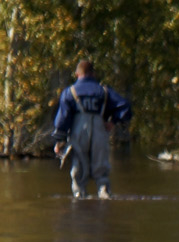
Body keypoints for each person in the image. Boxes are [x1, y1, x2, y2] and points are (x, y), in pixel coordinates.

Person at [51, 59, 132, 199]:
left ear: (77, 74)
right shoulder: (104, 91)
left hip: (78, 131)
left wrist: (59, 141)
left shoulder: (70, 92)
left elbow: (63, 118)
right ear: (93, 74)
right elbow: (125, 107)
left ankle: (79, 194)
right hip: (99, 129)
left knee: (78, 165)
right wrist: (113, 122)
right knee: (101, 164)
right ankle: (104, 192)